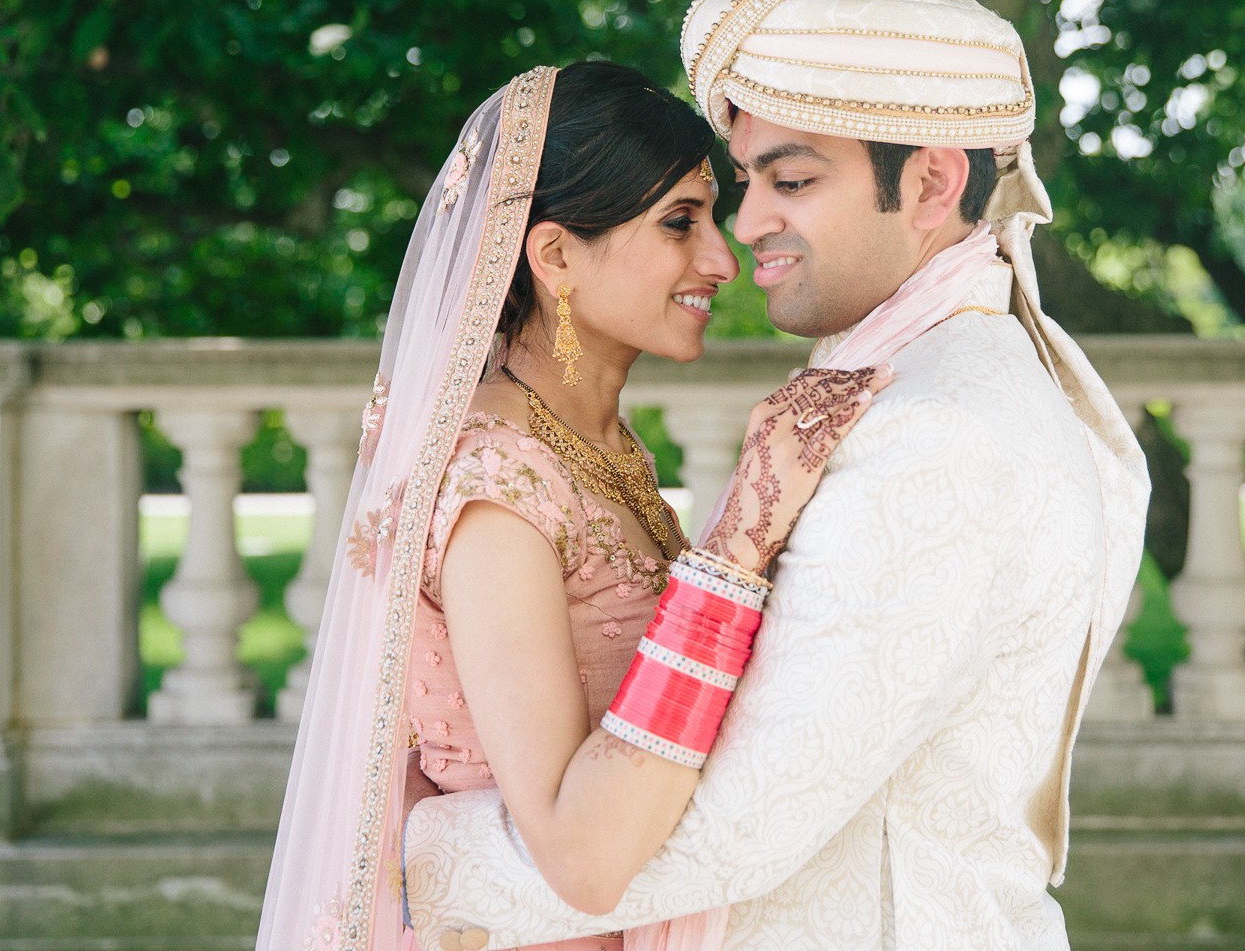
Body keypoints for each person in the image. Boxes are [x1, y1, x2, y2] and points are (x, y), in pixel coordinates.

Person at [402, 0, 1151, 950]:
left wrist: (426, 856)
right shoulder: (910, 382)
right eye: (728, 189)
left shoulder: (934, 428)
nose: (744, 232)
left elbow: (732, 818)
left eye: (788, 179)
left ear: (933, 180)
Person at [253, 59, 888, 951]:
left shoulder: (594, 442)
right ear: (554, 255)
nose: (722, 259)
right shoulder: (499, 494)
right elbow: (580, 855)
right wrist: (743, 532)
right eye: (680, 223)